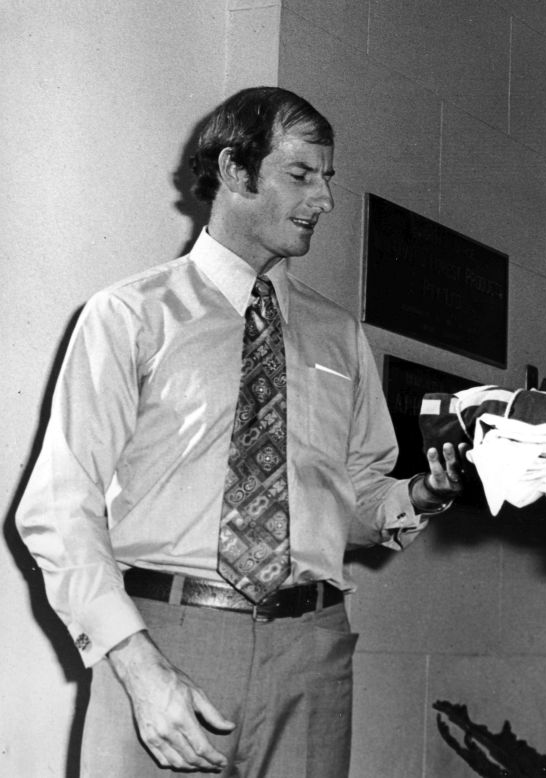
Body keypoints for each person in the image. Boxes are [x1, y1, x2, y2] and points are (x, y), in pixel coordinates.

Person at [16, 86, 466, 777]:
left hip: (312, 653)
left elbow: (357, 498)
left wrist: (420, 496)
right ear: (234, 170)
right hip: (168, 644)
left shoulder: (341, 336)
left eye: (327, 178)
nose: (324, 200)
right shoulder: (129, 317)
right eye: (300, 175)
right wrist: (138, 668)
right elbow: (58, 507)